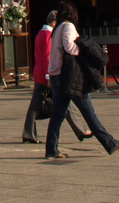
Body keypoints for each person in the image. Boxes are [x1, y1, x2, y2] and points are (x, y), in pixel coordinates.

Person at [44, 0, 119, 160]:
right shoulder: (68, 27)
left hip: (56, 75)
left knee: (58, 115)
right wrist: (84, 48)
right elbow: (70, 47)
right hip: (68, 76)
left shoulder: (57, 29)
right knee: (89, 111)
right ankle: (109, 142)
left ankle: (51, 149)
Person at [22, 9, 88, 145]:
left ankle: (29, 133)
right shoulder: (47, 35)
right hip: (45, 75)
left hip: (39, 73)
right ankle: (80, 129)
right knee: (63, 103)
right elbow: (48, 58)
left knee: (36, 106)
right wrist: (49, 76)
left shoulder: (41, 33)